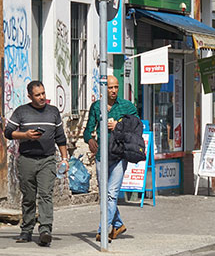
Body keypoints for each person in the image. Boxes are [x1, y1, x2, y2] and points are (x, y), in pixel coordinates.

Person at [4, 81, 68, 246]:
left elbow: (60, 137)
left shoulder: (53, 112)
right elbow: (8, 132)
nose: (42, 97)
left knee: (46, 195)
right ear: (30, 96)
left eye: (43, 94)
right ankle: (26, 230)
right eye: (38, 95)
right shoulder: (22, 112)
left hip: (47, 159)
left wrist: (64, 159)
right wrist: (25, 135)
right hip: (26, 160)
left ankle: (45, 229)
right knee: (28, 197)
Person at [82, 75, 139, 241]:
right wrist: (90, 139)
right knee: (105, 194)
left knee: (112, 194)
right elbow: (87, 130)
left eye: (116, 87)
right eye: (110, 88)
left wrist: (118, 126)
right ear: (103, 89)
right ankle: (118, 224)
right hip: (101, 156)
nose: (113, 91)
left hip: (119, 155)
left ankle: (102, 230)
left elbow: (137, 128)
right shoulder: (96, 107)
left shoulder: (127, 107)